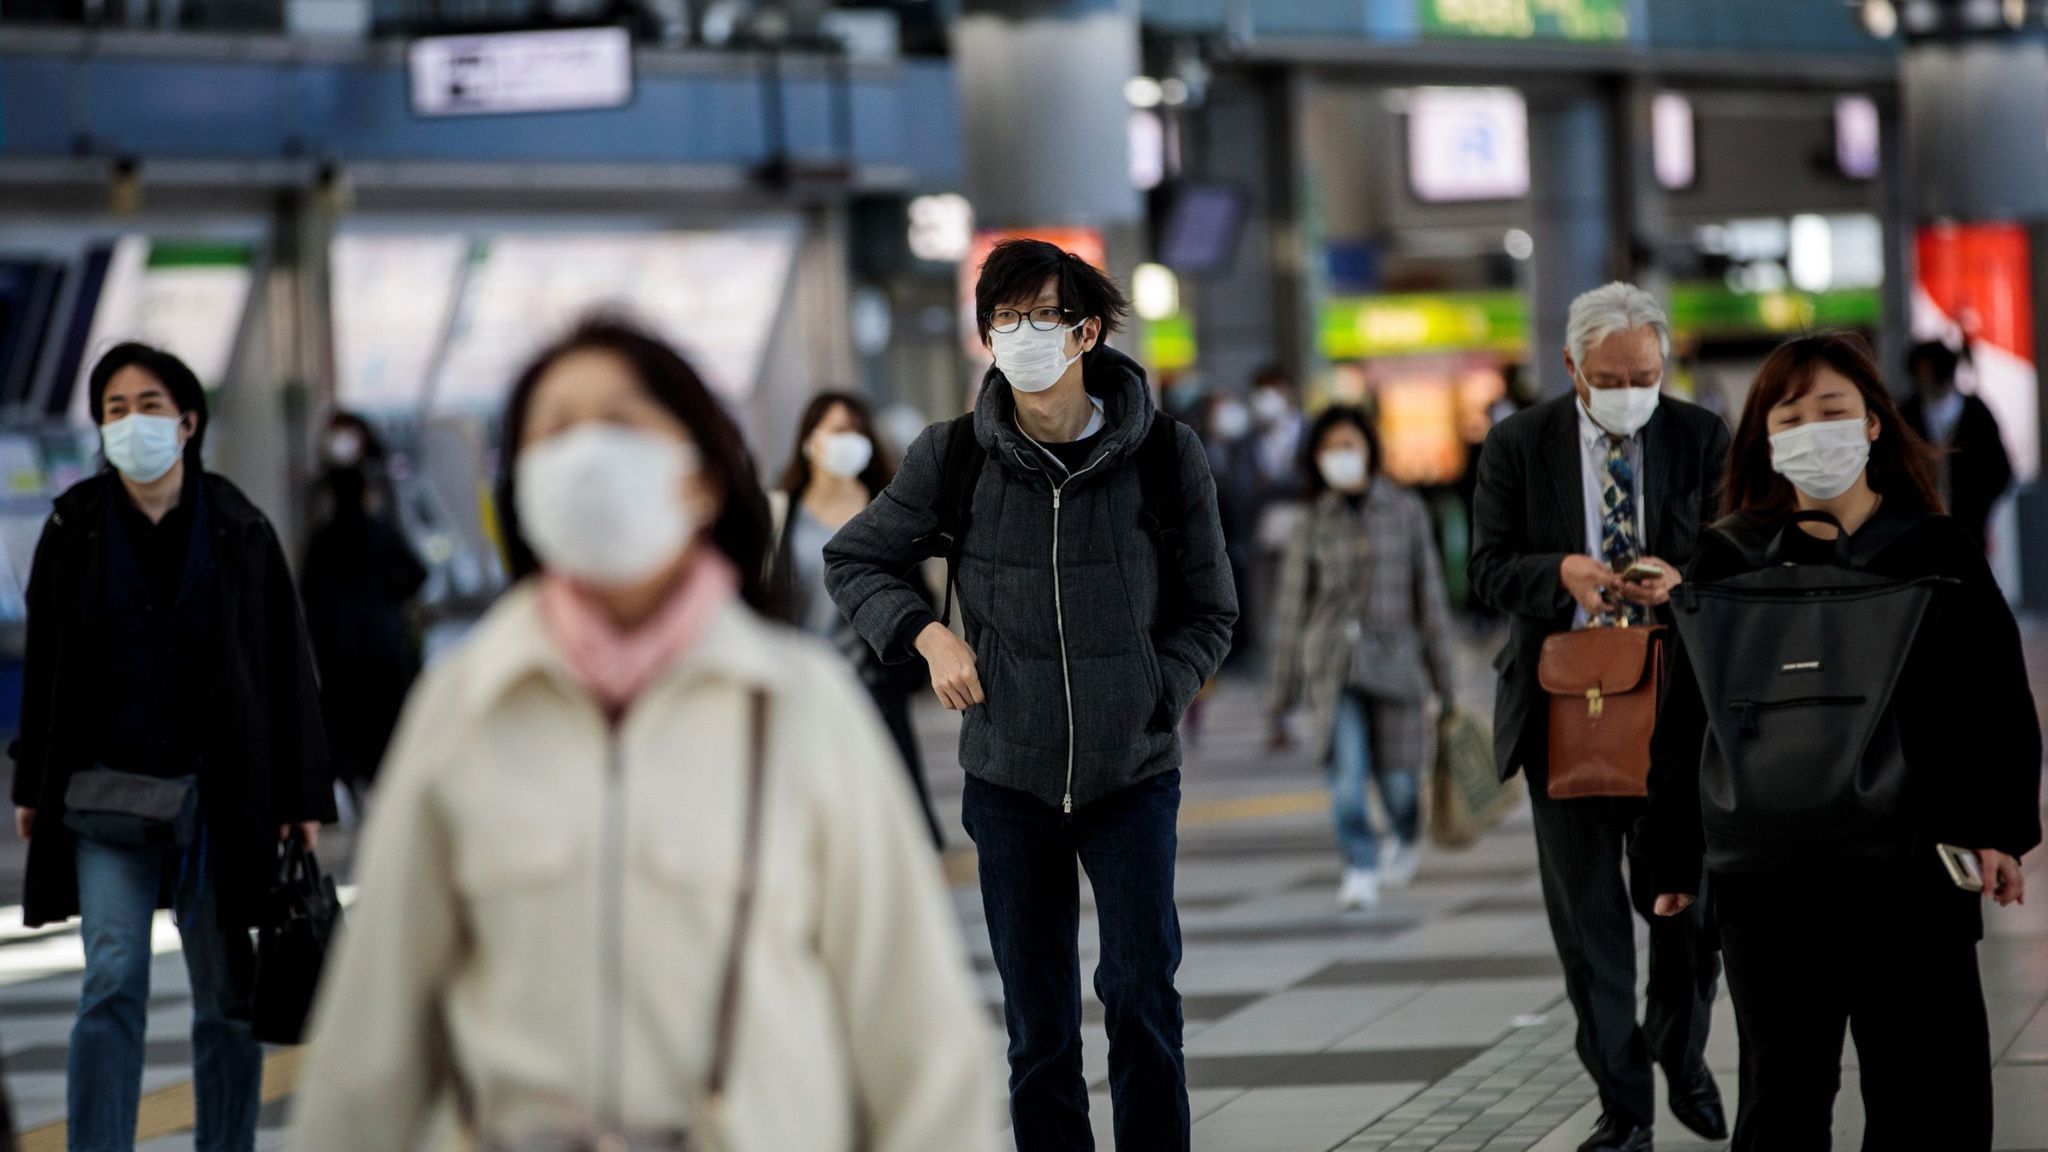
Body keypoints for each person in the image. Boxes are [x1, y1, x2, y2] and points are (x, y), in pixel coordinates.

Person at [289, 318, 995, 1152]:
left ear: (699, 477)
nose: (588, 455)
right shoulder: (467, 708)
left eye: (622, 424)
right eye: (555, 431)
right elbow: (371, 1041)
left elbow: (918, 1041)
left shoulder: (798, 706)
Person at [825, 239, 1236, 1151]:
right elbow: (853, 557)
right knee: (1037, 1026)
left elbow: (1211, 610)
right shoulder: (954, 456)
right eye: (1002, 320)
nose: (1018, 336)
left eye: (1039, 317)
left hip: (1131, 775)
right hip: (1008, 778)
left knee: (1141, 998)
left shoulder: (1166, 455)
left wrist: (1153, 696)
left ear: (1085, 331)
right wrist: (927, 635)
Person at [1646, 332, 2041, 1152]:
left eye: (1833, 410)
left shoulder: (1934, 550)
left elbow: (1994, 699)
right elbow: (1685, 718)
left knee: (1926, 1096)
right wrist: (1670, 858)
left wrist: (1998, 830)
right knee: (1784, 1098)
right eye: (1791, 415)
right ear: (1767, 439)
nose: (1813, 429)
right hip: (1767, 873)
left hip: (1914, 866)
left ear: (1871, 425)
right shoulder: (1724, 557)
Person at [11, 343, 332, 1152]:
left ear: (188, 423)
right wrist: (29, 781)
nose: (132, 425)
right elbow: (45, 665)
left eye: (149, 407)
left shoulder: (240, 528)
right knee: (110, 980)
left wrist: (301, 799)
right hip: (101, 795)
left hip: (218, 798)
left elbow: (286, 670)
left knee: (225, 994)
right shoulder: (73, 527)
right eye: (114, 411)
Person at [1468, 283, 1728, 1152]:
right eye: (1612, 376)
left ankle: (1680, 1048)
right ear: (1574, 366)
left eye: (1646, 374)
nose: (1631, 391)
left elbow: (1735, 554)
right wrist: (1563, 574)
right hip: (1565, 711)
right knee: (1590, 934)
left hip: (1678, 711)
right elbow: (1487, 567)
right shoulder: (1517, 444)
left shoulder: (1698, 436)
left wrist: (1682, 578)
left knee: (1688, 916)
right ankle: (1625, 1110)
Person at [1267, 406, 1456, 910]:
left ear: (1370, 448)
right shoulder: (1313, 520)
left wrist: (1445, 683)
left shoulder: (1405, 509)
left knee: (1399, 782)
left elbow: (1430, 596)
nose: (1341, 456)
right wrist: (1281, 697)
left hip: (1396, 665)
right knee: (1346, 779)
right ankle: (1360, 865)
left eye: (1350, 444)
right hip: (1332, 667)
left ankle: (1405, 832)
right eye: (1330, 448)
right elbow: (1290, 610)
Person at [770, 390, 944, 847]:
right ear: (810, 442)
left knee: (888, 823)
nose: (849, 441)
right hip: (804, 688)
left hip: (875, 690)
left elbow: (916, 593)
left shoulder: (887, 510)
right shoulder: (781, 514)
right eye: (837, 430)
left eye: (855, 431)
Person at [299, 412, 427, 799]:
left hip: (339, 654)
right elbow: (417, 573)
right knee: (386, 728)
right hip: (385, 646)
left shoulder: (321, 540)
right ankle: (382, 790)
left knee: (344, 725)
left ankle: (348, 789)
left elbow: (306, 591)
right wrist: (390, 599)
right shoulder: (382, 531)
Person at [1902, 340, 2012, 551]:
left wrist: (1982, 509)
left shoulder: (1975, 414)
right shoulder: (1908, 415)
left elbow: (2000, 469)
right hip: (1921, 528)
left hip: (1970, 524)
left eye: (1928, 371)